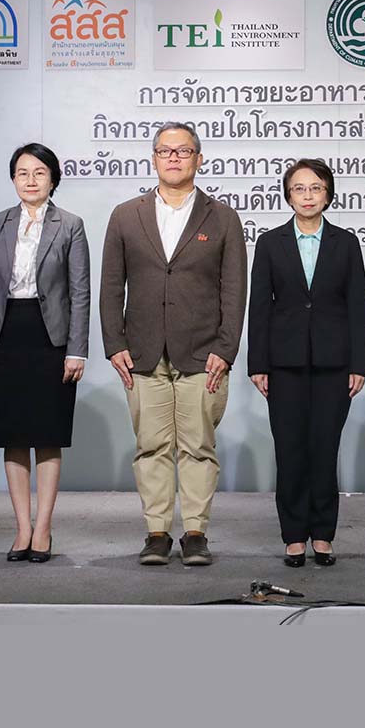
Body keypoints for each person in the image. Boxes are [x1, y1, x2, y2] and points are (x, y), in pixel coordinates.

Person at [100, 122, 247, 567]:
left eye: (183, 151)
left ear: (198, 159)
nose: (174, 158)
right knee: (151, 446)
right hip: (141, 352)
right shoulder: (126, 215)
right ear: (154, 158)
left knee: (198, 446)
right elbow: (111, 285)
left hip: (204, 353)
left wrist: (226, 348)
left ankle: (196, 533)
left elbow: (234, 290)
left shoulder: (222, 217)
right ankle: (157, 533)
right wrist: (114, 343)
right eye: (166, 151)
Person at [0, 143, 90, 564]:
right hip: (3, 336)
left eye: (39, 172)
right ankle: (22, 528)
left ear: (53, 178)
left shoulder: (70, 225)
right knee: (13, 435)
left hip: (50, 338)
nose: (31, 180)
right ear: (13, 179)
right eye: (22, 173)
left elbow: (79, 292)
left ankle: (44, 528)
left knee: (48, 435)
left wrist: (76, 351)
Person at [247, 159, 365, 567]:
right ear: (288, 196)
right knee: (290, 450)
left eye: (315, 188)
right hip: (283, 364)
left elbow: (358, 305)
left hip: (334, 364)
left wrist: (360, 364)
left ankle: (323, 534)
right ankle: (293, 535)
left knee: (324, 448)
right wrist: (258, 364)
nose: (307, 196)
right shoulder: (270, 242)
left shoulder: (345, 242)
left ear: (328, 195)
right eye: (299, 189)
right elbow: (259, 307)